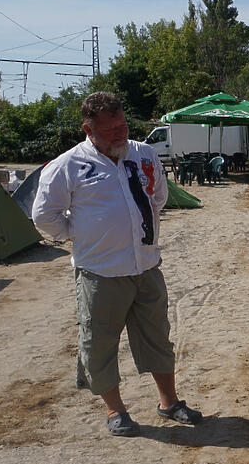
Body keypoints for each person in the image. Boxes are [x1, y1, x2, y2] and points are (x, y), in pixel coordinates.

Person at [32, 91, 203, 437]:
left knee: (158, 338)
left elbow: (159, 198)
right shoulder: (69, 165)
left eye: (122, 125)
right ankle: (115, 410)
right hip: (100, 274)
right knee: (99, 344)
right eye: (109, 130)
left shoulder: (144, 154)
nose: (119, 134)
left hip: (146, 268)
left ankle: (169, 402)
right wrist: (78, 234)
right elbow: (43, 216)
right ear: (88, 129)